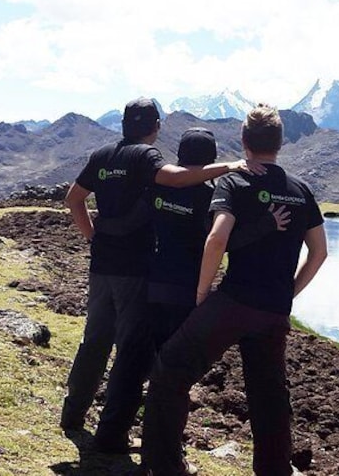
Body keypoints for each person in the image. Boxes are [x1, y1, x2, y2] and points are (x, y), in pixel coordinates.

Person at [60, 98, 263, 454]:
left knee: (97, 341)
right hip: (141, 274)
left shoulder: (104, 156)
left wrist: (95, 237)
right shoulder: (148, 160)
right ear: (154, 127)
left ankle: (76, 416)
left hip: (106, 268)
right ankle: (141, 441)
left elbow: (74, 199)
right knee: (137, 354)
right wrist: (230, 167)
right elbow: (183, 183)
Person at [141, 105, 328, 476]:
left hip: (233, 301)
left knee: (170, 371)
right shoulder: (301, 190)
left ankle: (164, 466)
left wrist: (201, 292)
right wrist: (287, 294)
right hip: (274, 310)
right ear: (280, 142)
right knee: (269, 396)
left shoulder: (234, 182)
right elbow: (319, 253)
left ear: (244, 141)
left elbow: (216, 239)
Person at [95, 127, 291, 351]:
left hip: (154, 284)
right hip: (190, 290)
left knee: (139, 355)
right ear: (211, 158)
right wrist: (266, 224)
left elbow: (128, 224)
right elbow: (222, 242)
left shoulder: (158, 190)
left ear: (180, 154)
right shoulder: (211, 198)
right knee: (172, 360)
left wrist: (98, 226)